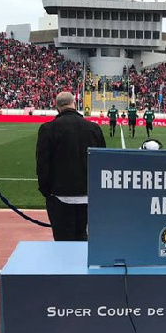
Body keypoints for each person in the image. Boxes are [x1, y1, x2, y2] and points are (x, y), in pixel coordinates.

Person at [36, 91, 106, 241]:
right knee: (83, 240)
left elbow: (42, 165)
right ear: (74, 104)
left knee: (62, 242)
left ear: (57, 108)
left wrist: (47, 192)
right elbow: (102, 163)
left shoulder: (48, 129)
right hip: (88, 195)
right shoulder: (94, 129)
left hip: (59, 196)